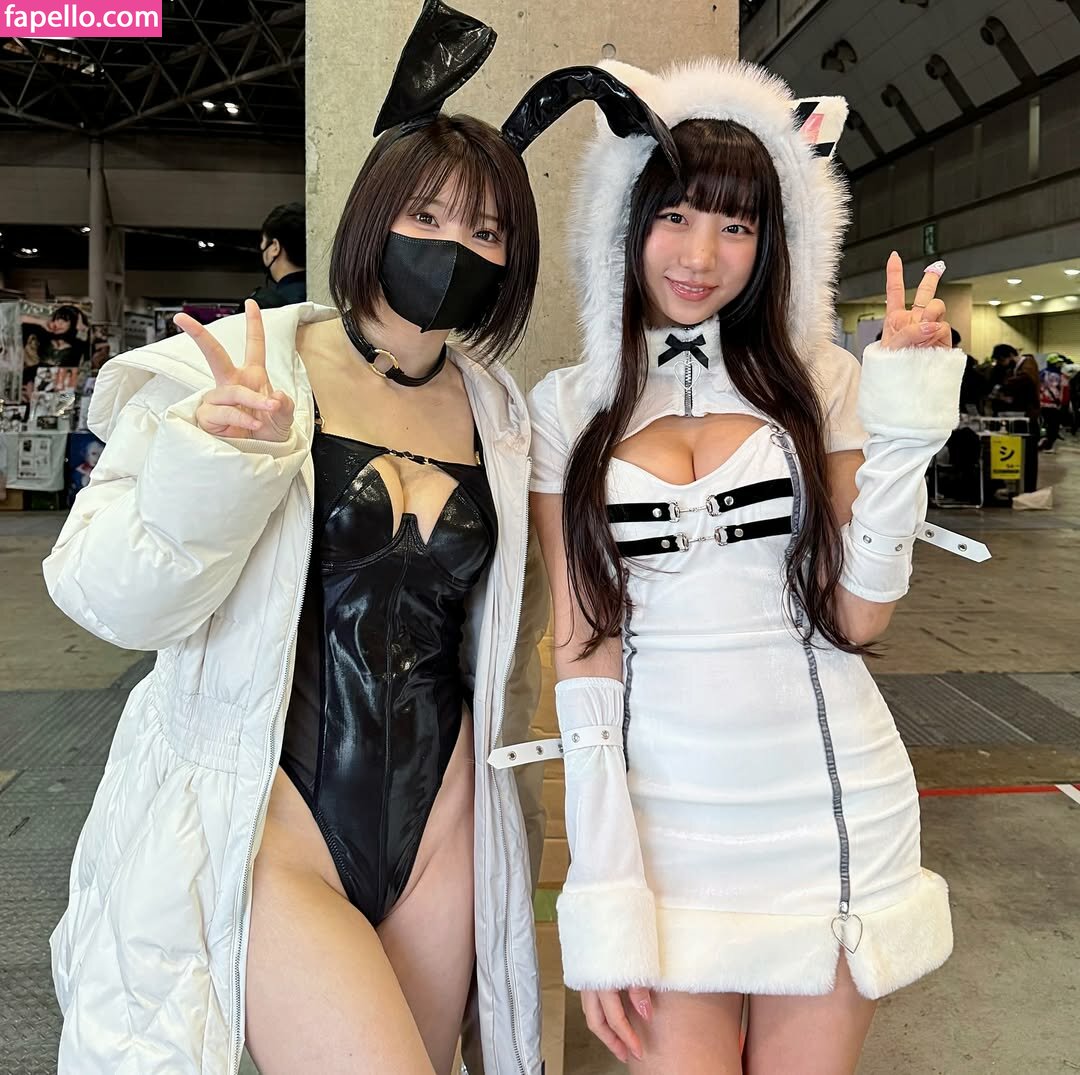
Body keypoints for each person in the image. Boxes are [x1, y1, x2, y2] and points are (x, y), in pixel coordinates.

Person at [527, 60, 981, 1074]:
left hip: (827, 803)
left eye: (736, 225)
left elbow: (857, 619)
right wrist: (604, 888)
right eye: (676, 215)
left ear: (774, 242)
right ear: (626, 222)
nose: (701, 255)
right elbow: (584, 650)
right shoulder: (567, 407)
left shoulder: (822, 380)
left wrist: (906, 432)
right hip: (666, 823)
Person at [248, 201, 308, 309]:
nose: (261, 247)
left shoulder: (264, 305)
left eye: (263, 241)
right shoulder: (326, 294)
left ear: (275, 247)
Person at [1038, 354, 1070, 453]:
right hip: (1054, 405)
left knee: (1044, 423)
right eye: (1058, 363)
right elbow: (1065, 391)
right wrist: (1064, 404)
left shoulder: (1041, 373)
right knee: (1054, 426)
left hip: (1042, 404)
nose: (1060, 365)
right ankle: (1048, 446)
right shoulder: (1061, 376)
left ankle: (1042, 439)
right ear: (1053, 363)